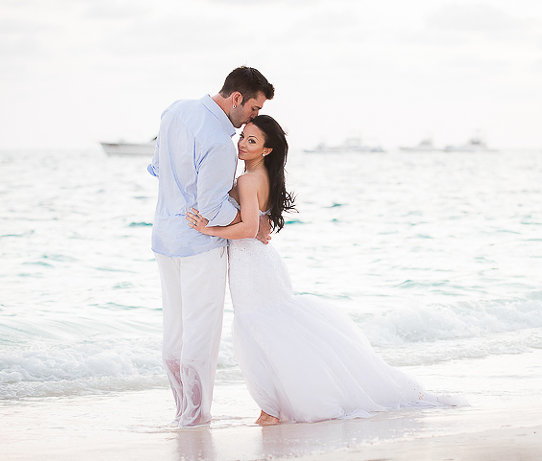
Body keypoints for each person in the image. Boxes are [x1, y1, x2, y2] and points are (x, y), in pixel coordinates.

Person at [187, 115, 466, 425]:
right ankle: (273, 406)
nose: (242, 144)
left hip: (252, 266)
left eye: (251, 141)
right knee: (270, 333)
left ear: (266, 150)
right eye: (242, 137)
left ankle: (272, 409)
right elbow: (256, 223)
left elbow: (250, 227)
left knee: (262, 332)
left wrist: (208, 229)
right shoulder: (263, 176)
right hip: (260, 264)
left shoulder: (248, 179)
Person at [148, 66, 275, 427]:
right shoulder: (220, 143)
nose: (252, 117)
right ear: (237, 98)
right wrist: (253, 216)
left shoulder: (174, 111)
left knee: (174, 331)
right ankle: (195, 416)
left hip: (163, 237)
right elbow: (212, 210)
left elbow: (156, 168)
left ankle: (181, 411)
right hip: (200, 244)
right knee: (200, 335)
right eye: (253, 109)